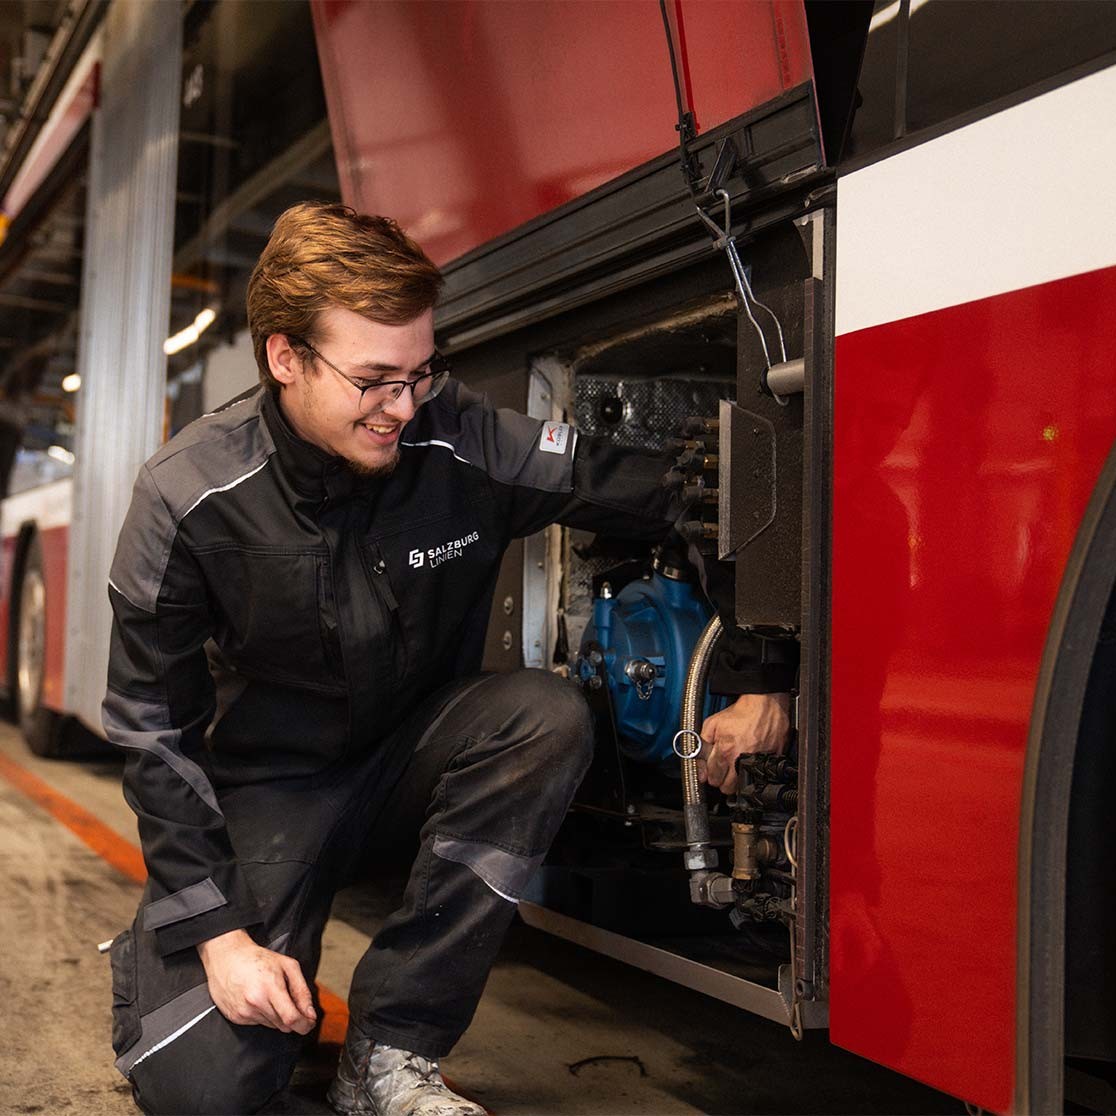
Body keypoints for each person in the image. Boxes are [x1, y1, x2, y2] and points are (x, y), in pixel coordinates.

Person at [104, 201, 792, 1116]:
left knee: (543, 717)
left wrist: (768, 672)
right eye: (374, 380)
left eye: (420, 373)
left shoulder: (457, 436)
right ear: (285, 358)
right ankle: (160, 962)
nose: (403, 407)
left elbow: (662, 488)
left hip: (412, 761)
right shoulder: (188, 492)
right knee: (203, 1092)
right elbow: (152, 729)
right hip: (271, 789)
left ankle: (392, 1051)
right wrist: (218, 935)